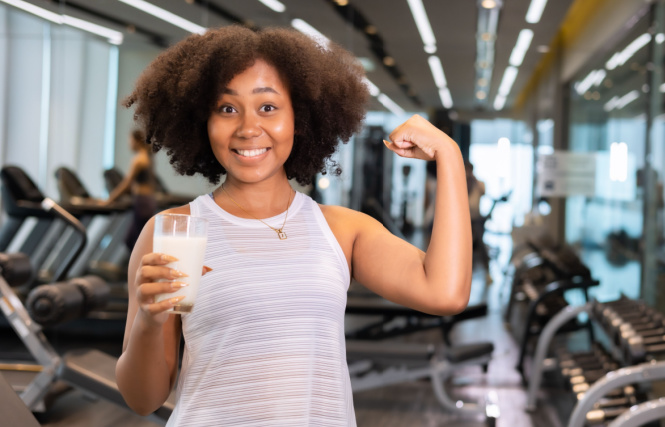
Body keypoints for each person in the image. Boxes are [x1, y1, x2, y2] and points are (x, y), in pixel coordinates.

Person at [114, 26, 472, 426]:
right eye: (227, 109)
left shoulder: (340, 230)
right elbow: (142, 400)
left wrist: (450, 156)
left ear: (298, 119)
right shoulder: (176, 231)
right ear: (203, 122)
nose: (248, 128)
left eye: (268, 107)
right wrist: (149, 322)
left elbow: (446, 293)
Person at [104, 129, 157, 250]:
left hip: (142, 202)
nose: (129, 143)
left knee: (137, 242)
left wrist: (109, 200)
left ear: (137, 141)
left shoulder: (138, 160)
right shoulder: (147, 157)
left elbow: (126, 184)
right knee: (133, 240)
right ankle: (137, 267)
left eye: (130, 140)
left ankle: (139, 267)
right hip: (147, 201)